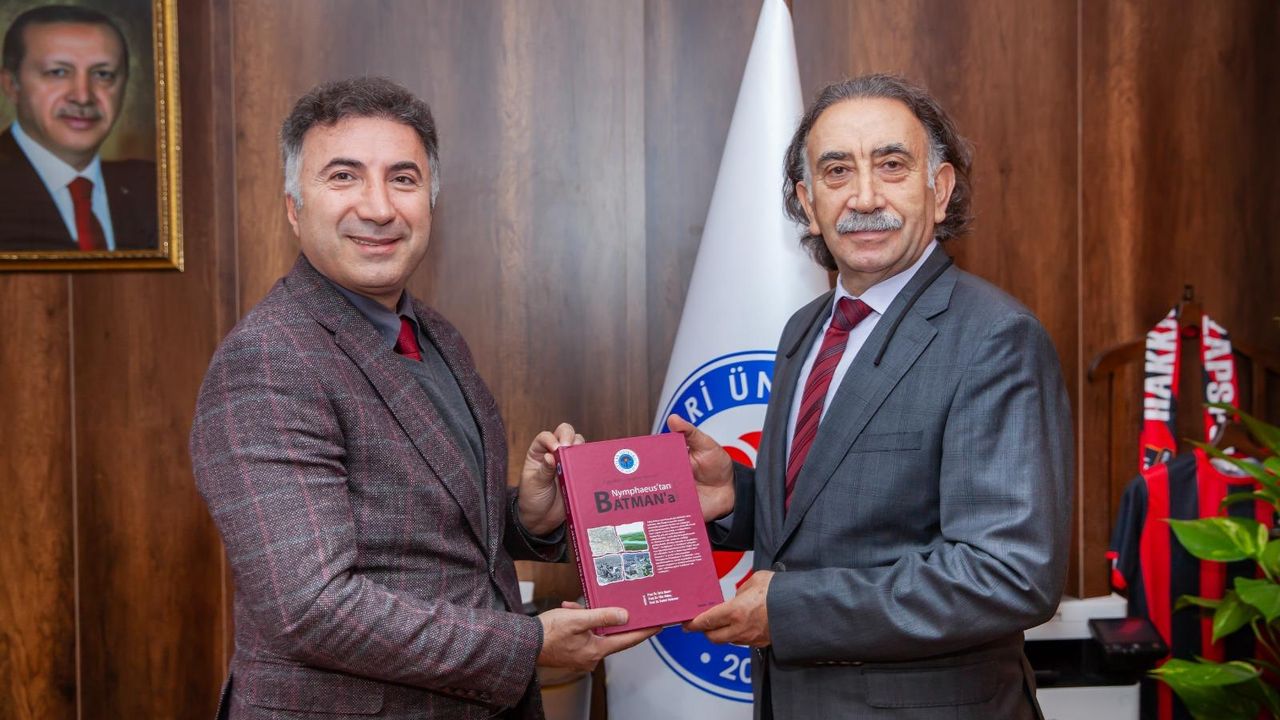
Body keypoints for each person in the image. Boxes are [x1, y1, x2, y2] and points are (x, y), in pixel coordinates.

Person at [190, 77, 653, 720]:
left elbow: (422, 531)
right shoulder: (270, 358)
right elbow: (311, 608)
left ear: (430, 202)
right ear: (294, 208)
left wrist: (529, 517)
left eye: (403, 179)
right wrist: (528, 644)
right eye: (344, 177)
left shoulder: (432, 333)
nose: (379, 207)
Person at [671, 74, 1073, 719]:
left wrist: (791, 610)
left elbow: (1009, 574)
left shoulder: (995, 337)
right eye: (837, 172)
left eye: (891, 165)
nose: (863, 197)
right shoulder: (806, 330)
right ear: (808, 202)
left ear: (939, 190)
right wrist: (736, 499)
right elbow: (841, 511)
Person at [0, 4, 154, 252]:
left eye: (103, 74)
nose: (83, 97)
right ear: (11, 85)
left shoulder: (156, 189)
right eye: (58, 72)